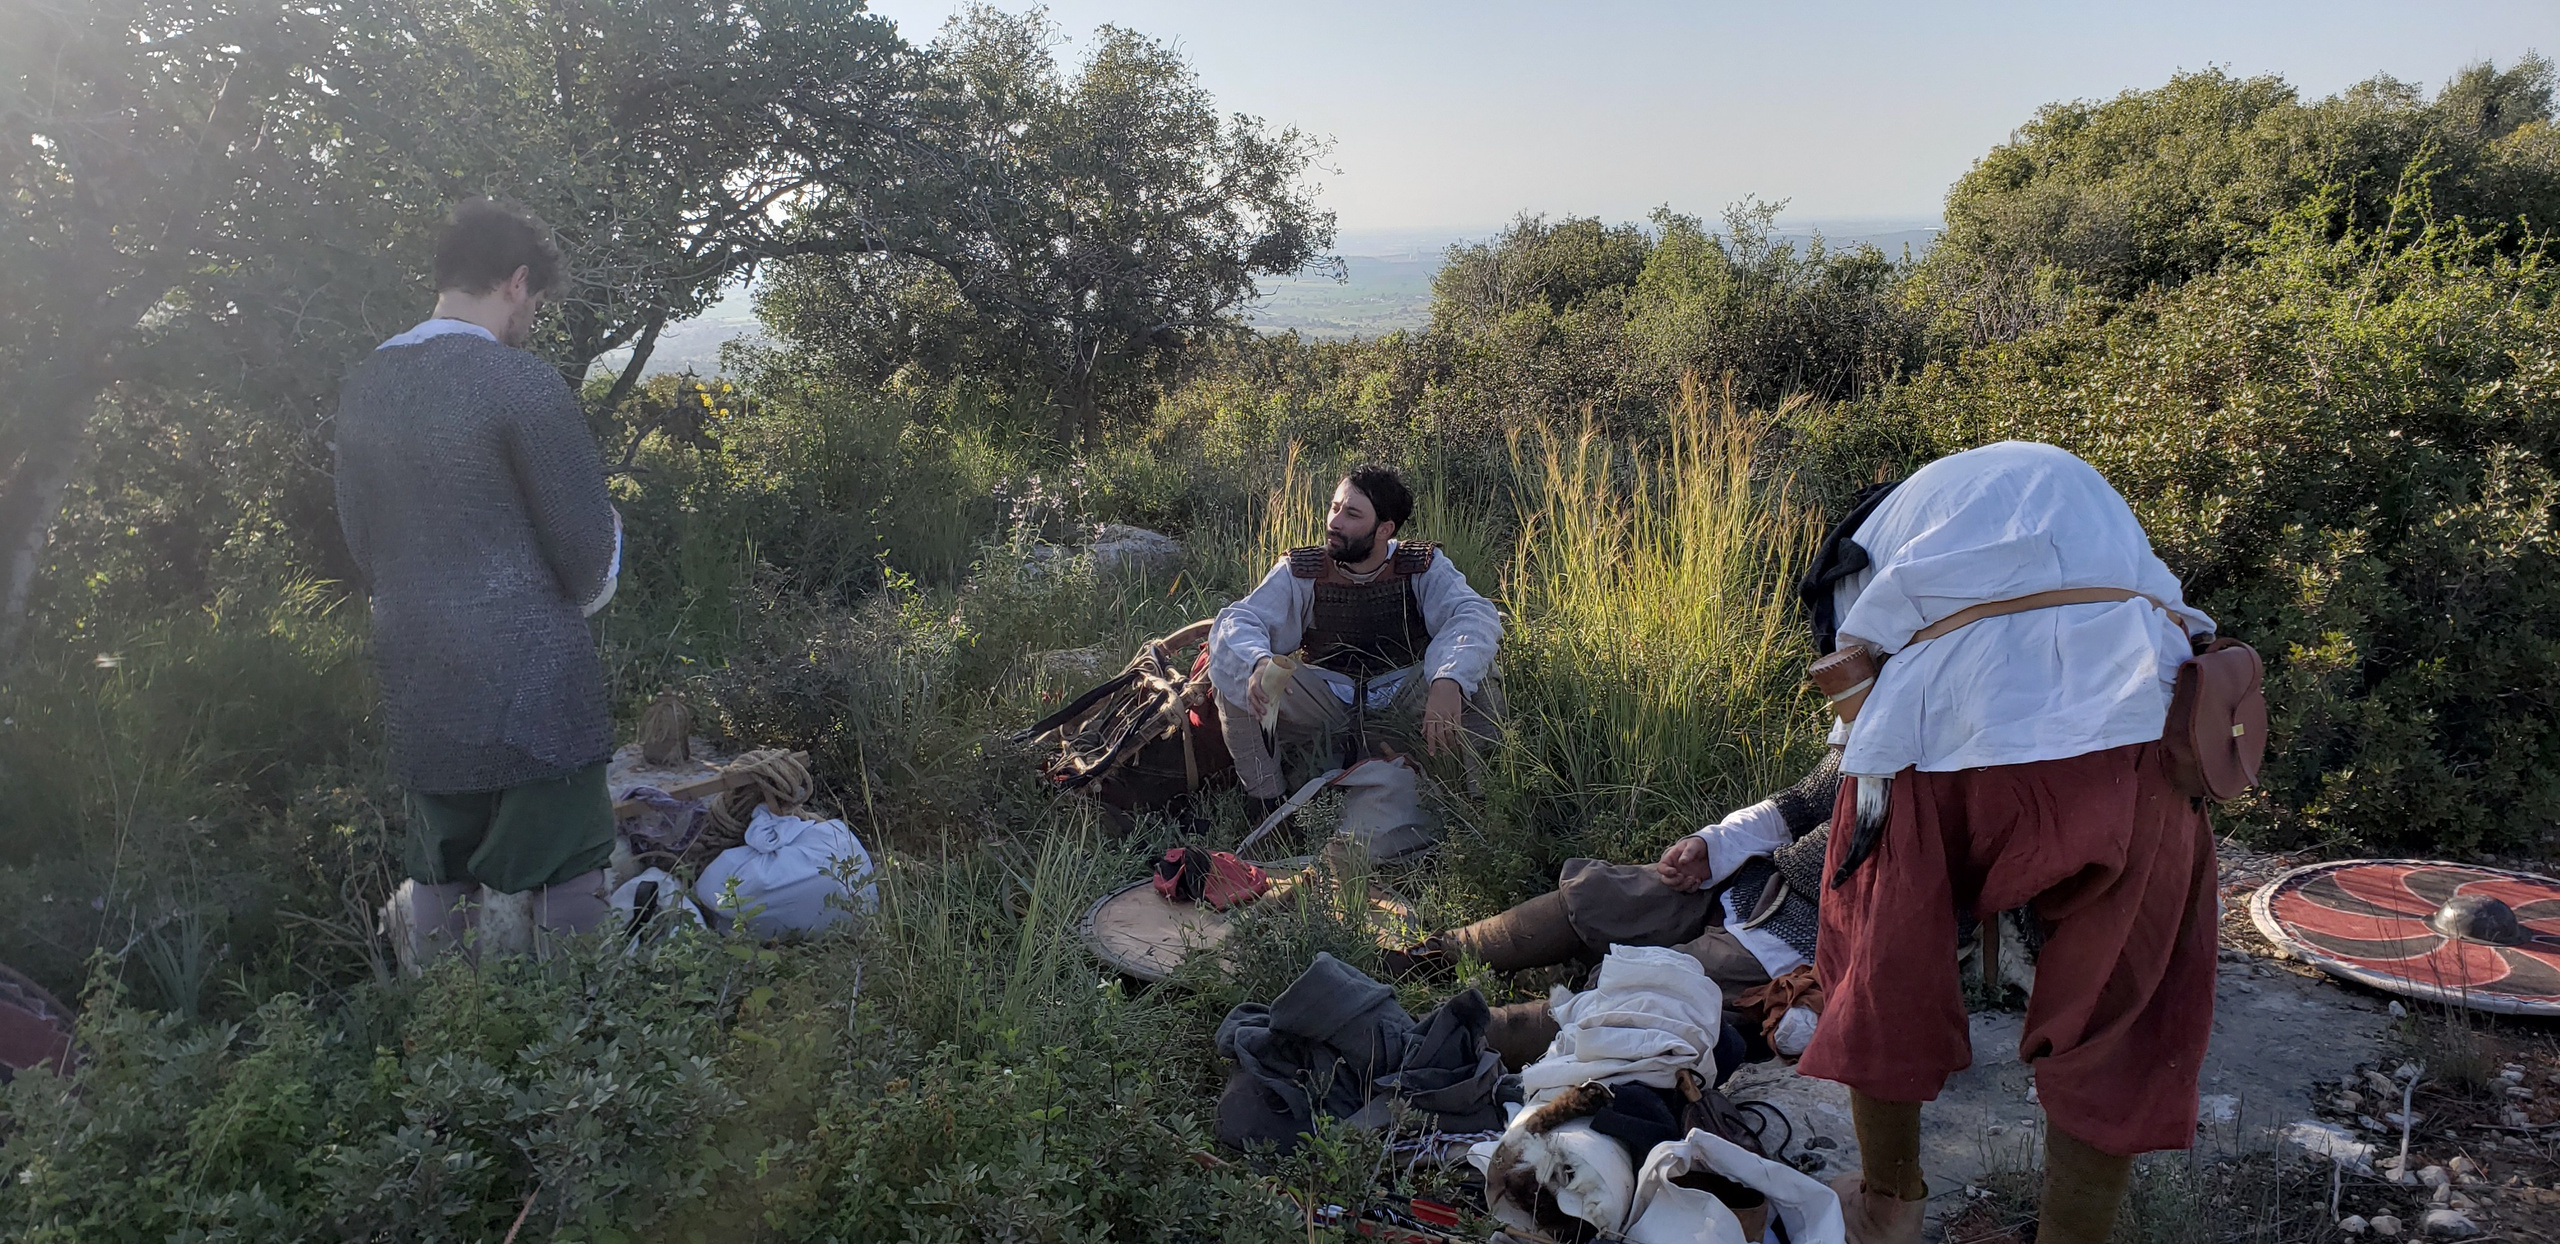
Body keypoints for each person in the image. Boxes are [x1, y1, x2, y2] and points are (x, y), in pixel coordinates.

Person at [1797, 441, 2220, 1244]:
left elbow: (1852, 686)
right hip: (2139, 717)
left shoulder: (1868, 540)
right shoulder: (2053, 487)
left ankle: (1888, 1205)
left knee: (1880, 964)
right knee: (2120, 1004)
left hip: (1937, 721)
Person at [335, 198, 623, 968]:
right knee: (568, 866)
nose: (531, 315)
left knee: (441, 872)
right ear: (516, 281)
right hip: (533, 678)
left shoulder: (367, 385)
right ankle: (594, 1045)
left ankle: (447, 1044)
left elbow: (363, 545)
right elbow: (586, 558)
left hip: (421, 667)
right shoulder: (520, 385)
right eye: (534, 299)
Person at [1381, 744, 1841, 1068]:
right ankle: (1431, 959)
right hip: (1759, 880)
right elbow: (1799, 805)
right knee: (1601, 896)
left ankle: (1423, 1042)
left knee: (1644, 997)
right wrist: (1713, 844)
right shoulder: (1884, 715)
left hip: (1805, 947)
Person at [1208, 465, 1502, 820]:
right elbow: (1239, 621)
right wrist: (1256, 663)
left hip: (1403, 701)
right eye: (1334, 508)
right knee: (1236, 677)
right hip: (1326, 702)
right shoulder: (1301, 569)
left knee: (1480, 675)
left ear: (1384, 529)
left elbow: (1473, 615)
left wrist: (1447, 678)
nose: (1335, 522)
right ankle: (1268, 805)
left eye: (1352, 514)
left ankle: (1486, 806)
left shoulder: (1422, 566)